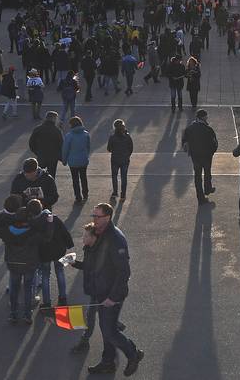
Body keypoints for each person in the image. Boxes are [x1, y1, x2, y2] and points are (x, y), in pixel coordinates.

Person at [81, 203, 144, 376]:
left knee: (109, 331)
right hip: (100, 291)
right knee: (106, 328)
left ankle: (133, 354)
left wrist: (113, 297)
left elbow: (124, 271)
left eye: (97, 216)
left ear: (107, 218)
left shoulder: (115, 239)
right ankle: (108, 362)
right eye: (93, 215)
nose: (93, 219)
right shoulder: (99, 233)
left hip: (111, 294)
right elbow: (97, 261)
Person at [0, 196, 45, 324]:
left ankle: (13, 313)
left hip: (13, 262)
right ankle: (27, 314)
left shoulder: (8, 231)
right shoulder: (33, 230)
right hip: (30, 262)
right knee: (28, 288)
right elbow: (45, 234)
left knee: (14, 288)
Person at [33, 201, 74, 310]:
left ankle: (47, 302)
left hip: (44, 253)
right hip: (58, 250)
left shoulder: (34, 223)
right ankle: (63, 298)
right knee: (60, 272)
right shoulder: (54, 218)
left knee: (45, 275)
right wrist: (69, 244)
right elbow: (65, 232)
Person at [181, 109, 219, 203]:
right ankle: (207, 188)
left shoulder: (189, 129)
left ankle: (201, 198)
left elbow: (184, 142)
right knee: (207, 173)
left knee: (197, 176)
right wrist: (212, 152)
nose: (207, 118)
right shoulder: (208, 129)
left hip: (195, 156)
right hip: (206, 156)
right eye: (206, 116)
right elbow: (214, 143)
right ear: (203, 117)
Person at [63, 116, 92, 204]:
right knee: (83, 177)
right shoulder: (86, 134)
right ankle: (85, 193)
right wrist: (86, 155)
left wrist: (64, 160)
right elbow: (88, 147)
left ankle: (78, 196)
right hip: (83, 159)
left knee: (75, 179)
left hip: (73, 161)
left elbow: (65, 149)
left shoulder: (69, 136)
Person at [29, 113, 63, 178]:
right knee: (51, 176)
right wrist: (59, 156)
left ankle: (40, 187)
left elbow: (31, 143)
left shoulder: (38, 129)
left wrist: (37, 152)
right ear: (54, 119)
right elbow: (61, 144)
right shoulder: (57, 130)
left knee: (39, 175)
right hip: (53, 157)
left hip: (41, 155)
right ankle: (50, 187)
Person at [106, 119, 133, 201]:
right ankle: (123, 195)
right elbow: (131, 148)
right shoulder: (127, 136)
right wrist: (127, 155)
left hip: (115, 159)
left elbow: (109, 149)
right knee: (124, 177)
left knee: (114, 176)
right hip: (125, 159)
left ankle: (115, 192)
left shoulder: (112, 137)